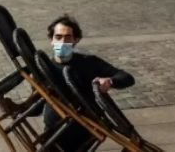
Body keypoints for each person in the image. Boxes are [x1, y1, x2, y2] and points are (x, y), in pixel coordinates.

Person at [39, 15, 135, 151]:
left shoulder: (88, 62)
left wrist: (110, 81)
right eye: (58, 37)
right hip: (54, 133)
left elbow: (127, 77)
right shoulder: (45, 68)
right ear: (51, 40)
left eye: (68, 38)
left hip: (84, 131)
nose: (62, 42)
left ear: (76, 40)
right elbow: (37, 106)